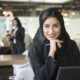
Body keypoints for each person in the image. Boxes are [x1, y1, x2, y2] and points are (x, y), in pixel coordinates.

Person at [28, 8, 80, 80]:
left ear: (61, 26)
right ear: (41, 27)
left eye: (55, 26)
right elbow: (41, 78)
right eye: (46, 26)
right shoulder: (35, 49)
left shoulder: (71, 45)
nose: (51, 31)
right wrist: (52, 52)